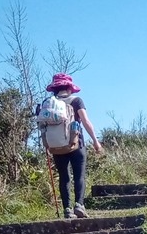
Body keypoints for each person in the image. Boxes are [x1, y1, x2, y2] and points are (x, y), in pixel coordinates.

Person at [43, 73, 103, 218]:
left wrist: (46, 144)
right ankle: (79, 205)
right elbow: (86, 121)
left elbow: (43, 126)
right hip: (76, 143)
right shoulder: (76, 101)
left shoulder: (48, 103)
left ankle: (67, 210)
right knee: (79, 175)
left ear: (54, 89)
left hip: (56, 146)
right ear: (70, 87)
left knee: (64, 177)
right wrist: (95, 142)